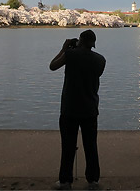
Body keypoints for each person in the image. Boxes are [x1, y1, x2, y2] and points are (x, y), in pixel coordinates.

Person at [50, 29, 106, 191]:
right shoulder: (101, 60)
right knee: (91, 145)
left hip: (70, 108)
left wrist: (64, 49)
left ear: (80, 41)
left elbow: (52, 66)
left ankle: (65, 181)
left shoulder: (70, 55)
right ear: (93, 43)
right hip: (90, 108)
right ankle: (93, 180)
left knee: (68, 146)